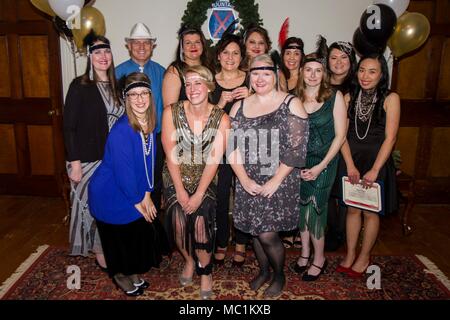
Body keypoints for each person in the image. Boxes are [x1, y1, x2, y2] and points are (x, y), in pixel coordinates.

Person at [229, 54, 309, 297]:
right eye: (255, 73)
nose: (260, 78)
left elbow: (297, 149)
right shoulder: (239, 106)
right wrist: (243, 179)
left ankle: (279, 274)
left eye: (265, 72)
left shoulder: (291, 103)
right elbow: (230, 147)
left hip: (279, 180)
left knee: (267, 233)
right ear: (249, 76)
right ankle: (263, 271)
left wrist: (275, 180)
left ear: (275, 74)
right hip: (247, 179)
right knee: (255, 231)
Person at [88, 72, 169, 296]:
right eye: (133, 94)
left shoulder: (150, 124)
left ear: (151, 97)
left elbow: (148, 162)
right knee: (119, 240)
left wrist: (147, 194)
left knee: (134, 237)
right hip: (111, 194)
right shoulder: (122, 131)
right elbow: (125, 174)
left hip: (132, 189)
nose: (140, 99)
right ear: (126, 99)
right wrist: (140, 201)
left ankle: (132, 271)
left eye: (144, 93)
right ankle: (120, 275)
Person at [162, 65, 230, 299]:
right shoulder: (171, 112)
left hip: (205, 178)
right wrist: (180, 191)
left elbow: (214, 161)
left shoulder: (222, 118)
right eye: (188, 84)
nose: (192, 89)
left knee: (200, 224)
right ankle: (189, 260)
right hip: (175, 176)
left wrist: (199, 194)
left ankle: (205, 272)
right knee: (178, 223)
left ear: (209, 86)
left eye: (198, 83)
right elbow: (170, 156)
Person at [63, 34, 124, 271]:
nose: (102, 56)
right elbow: (69, 126)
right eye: (97, 52)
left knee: (107, 207)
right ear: (90, 56)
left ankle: (107, 248)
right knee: (87, 208)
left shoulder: (117, 85)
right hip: (87, 159)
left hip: (112, 160)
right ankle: (98, 253)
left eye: (106, 51)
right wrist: (75, 162)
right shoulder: (80, 86)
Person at [336, 54, 400, 278]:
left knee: (371, 212)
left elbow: (390, 138)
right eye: (362, 70)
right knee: (353, 209)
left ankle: (365, 256)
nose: (365, 76)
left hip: (377, 162)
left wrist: (374, 170)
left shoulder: (391, 98)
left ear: (382, 74)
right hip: (351, 161)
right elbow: (341, 135)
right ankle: (351, 253)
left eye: (372, 71)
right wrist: (350, 165)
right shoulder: (347, 96)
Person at [291, 38, 347, 282]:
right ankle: (304, 254)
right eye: (308, 70)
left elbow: (341, 136)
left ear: (323, 74)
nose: (313, 75)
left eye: (318, 70)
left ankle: (319, 258)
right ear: (302, 72)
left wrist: (320, 166)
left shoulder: (335, 96)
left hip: (324, 163)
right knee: (301, 210)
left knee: (315, 210)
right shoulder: (294, 98)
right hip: (300, 164)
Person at [115, 22, 166, 217]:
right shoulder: (117, 73)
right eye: (136, 43)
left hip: (156, 138)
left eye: (146, 43)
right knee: (131, 181)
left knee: (153, 182)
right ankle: (132, 220)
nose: (142, 47)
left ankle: (152, 227)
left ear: (152, 46)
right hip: (129, 138)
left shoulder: (162, 72)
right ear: (129, 46)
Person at [210, 33, 250, 266]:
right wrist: (221, 103)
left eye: (235, 53)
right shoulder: (210, 81)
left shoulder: (251, 80)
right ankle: (222, 242)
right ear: (218, 55)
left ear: (241, 56)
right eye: (226, 52)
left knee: (244, 195)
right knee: (222, 196)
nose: (230, 57)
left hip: (247, 146)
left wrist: (252, 96)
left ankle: (242, 244)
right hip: (220, 148)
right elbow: (204, 119)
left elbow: (268, 111)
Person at [325, 41, 358, 252]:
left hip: (347, 144)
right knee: (326, 192)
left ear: (351, 61)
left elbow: (344, 130)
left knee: (344, 190)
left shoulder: (356, 86)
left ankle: (341, 234)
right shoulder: (320, 82)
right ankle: (332, 230)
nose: (338, 62)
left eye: (344, 57)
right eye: (334, 57)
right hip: (323, 145)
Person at [279, 36, 305, 249]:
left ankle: (296, 230)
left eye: (296, 53)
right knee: (286, 187)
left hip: (301, 138)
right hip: (281, 139)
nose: (292, 57)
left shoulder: (307, 77)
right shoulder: (278, 77)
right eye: (288, 53)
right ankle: (286, 230)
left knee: (299, 186)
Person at [162, 26, 212, 108]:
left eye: (197, 42)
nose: (193, 46)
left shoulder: (210, 67)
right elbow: (169, 110)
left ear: (203, 45)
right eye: (188, 43)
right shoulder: (174, 71)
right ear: (182, 48)